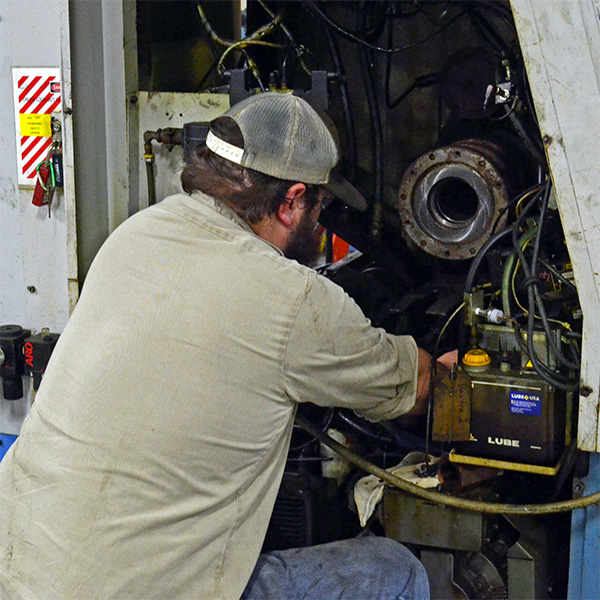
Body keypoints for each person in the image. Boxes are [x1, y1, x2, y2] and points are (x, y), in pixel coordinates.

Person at [0, 92, 451, 599]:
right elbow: (415, 388)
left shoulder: (135, 234)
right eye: (320, 205)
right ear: (292, 200)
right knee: (394, 570)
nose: (320, 220)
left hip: (22, 572)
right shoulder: (294, 299)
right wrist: (450, 366)